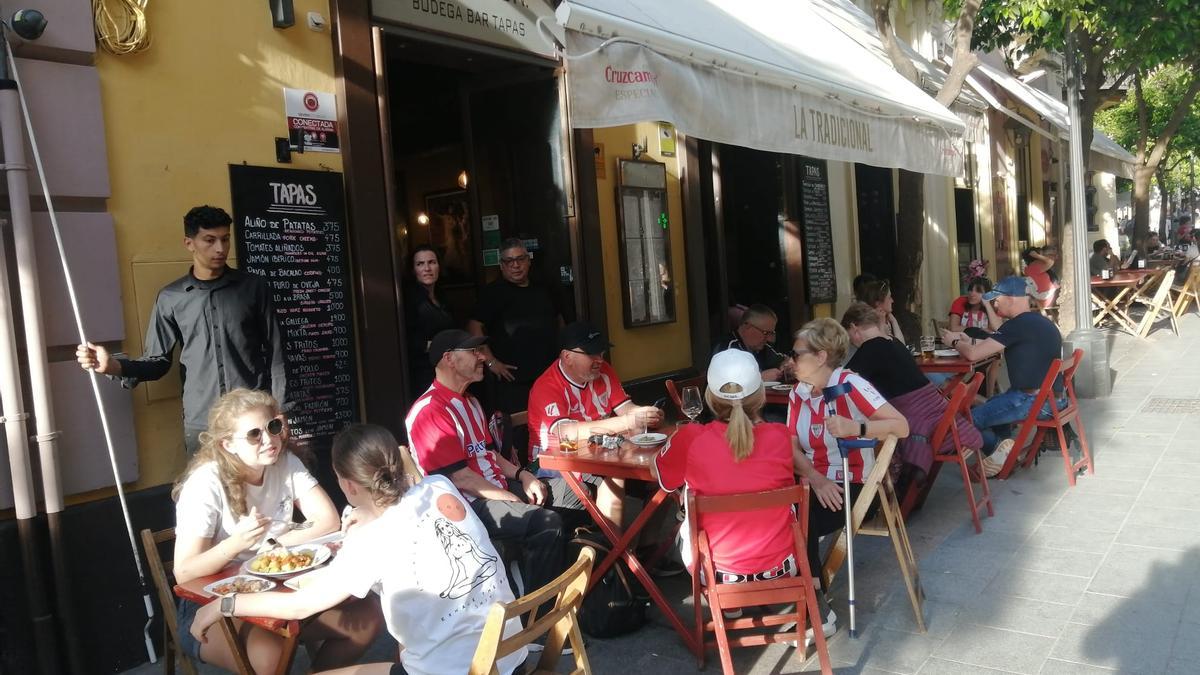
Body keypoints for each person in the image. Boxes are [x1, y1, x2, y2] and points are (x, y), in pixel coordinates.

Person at [189, 424, 527, 675]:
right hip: (511, 656)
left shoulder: (370, 543)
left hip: (457, 669)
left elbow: (298, 605)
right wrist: (369, 514)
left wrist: (225, 604)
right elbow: (409, 483)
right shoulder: (440, 487)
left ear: (347, 485)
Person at [172, 389, 380, 673]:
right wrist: (236, 544)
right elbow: (184, 573)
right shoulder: (205, 484)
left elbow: (327, 519)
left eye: (272, 427)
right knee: (270, 656)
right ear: (227, 445)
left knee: (368, 617)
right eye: (254, 435)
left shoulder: (283, 461)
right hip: (209, 602)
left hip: (282, 589)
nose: (269, 440)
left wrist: (271, 543)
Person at [76, 205, 286, 454]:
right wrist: (114, 366)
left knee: (260, 490)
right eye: (210, 240)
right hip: (202, 421)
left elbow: (277, 355)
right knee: (207, 490)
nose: (220, 248)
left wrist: (281, 410)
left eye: (225, 239)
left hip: (254, 417)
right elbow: (158, 362)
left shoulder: (254, 288)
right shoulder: (171, 298)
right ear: (189, 243)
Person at [406, 328, 584, 602]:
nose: (481, 357)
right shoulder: (431, 411)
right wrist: (507, 496)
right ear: (449, 359)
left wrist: (524, 476)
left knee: (580, 494)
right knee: (546, 522)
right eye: (473, 352)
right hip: (466, 505)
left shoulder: (472, 402)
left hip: (497, 489)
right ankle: (537, 621)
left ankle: (571, 588)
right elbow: (460, 478)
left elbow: (490, 456)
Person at [652, 350, 802, 622]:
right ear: (760, 395)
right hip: (782, 566)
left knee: (684, 525)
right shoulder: (781, 436)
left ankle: (729, 602)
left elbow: (661, 476)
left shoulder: (691, 438)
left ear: (709, 396)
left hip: (717, 571)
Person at [785, 318, 909, 637]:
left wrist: (858, 427)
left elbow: (901, 425)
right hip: (813, 482)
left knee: (799, 514)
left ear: (822, 355)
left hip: (852, 484)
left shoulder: (850, 384)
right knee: (780, 505)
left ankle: (816, 606)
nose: (791, 360)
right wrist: (814, 476)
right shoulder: (798, 393)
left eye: (798, 353)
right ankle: (785, 589)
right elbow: (790, 446)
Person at [842, 304, 981, 496]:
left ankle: (885, 490)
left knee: (868, 426)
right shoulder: (892, 342)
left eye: (849, 335)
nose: (851, 341)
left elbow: (842, 382)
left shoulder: (870, 348)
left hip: (914, 413)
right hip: (935, 409)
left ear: (854, 328)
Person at [940, 276, 1064, 476]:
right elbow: (996, 338)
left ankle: (1002, 453)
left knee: (966, 420)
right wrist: (969, 339)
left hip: (1033, 401)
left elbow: (973, 354)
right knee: (994, 402)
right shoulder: (1037, 321)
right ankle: (1002, 454)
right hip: (1052, 398)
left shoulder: (1017, 325)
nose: (994, 303)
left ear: (1011, 299)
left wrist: (953, 342)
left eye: (997, 299)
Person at [528, 321, 663, 474]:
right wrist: (629, 421)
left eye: (601, 351)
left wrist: (646, 414)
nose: (600, 359)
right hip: (553, 464)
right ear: (567, 357)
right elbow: (566, 432)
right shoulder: (547, 386)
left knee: (660, 462)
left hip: (599, 455)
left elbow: (626, 408)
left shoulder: (604, 371)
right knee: (621, 473)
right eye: (592, 353)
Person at [468, 238, 565, 414]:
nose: (516, 265)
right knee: (519, 429)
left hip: (549, 373)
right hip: (512, 379)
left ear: (528, 261)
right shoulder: (492, 293)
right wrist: (491, 362)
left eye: (520, 259)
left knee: (553, 421)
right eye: (509, 261)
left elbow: (559, 319)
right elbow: (474, 327)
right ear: (501, 265)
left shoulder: (544, 287)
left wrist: (563, 352)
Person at [405, 245, 455, 398]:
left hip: (446, 368)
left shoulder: (442, 296)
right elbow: (411, 342)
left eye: (432, 262)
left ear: (439, 266)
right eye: (420, 264)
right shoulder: (410, 300)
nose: (427, 268)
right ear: (413, 270)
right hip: (424, 372)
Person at [711, 304, 791, 381]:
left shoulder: (761, 347)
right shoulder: (727, 348)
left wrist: (786, 366)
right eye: (765, 333)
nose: (769, 339)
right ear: (747, 327)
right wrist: (759, 378)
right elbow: (726, 384)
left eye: (771, 333)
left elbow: (784, 360)